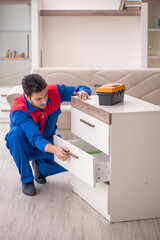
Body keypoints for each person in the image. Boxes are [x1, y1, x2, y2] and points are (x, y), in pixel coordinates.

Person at [5, 74, 91, 196]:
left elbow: (81, 88)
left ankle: (40, 168)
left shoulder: (55, 91)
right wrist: (54, 149)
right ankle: (27, 179)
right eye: (38, 99)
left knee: (76, 160)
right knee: (15, 134)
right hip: (27, 147)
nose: (44, 101)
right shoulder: (19, 109)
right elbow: (35, 138)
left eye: (45, 95)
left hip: (48, 141)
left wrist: (83, 92)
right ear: (27, 97)